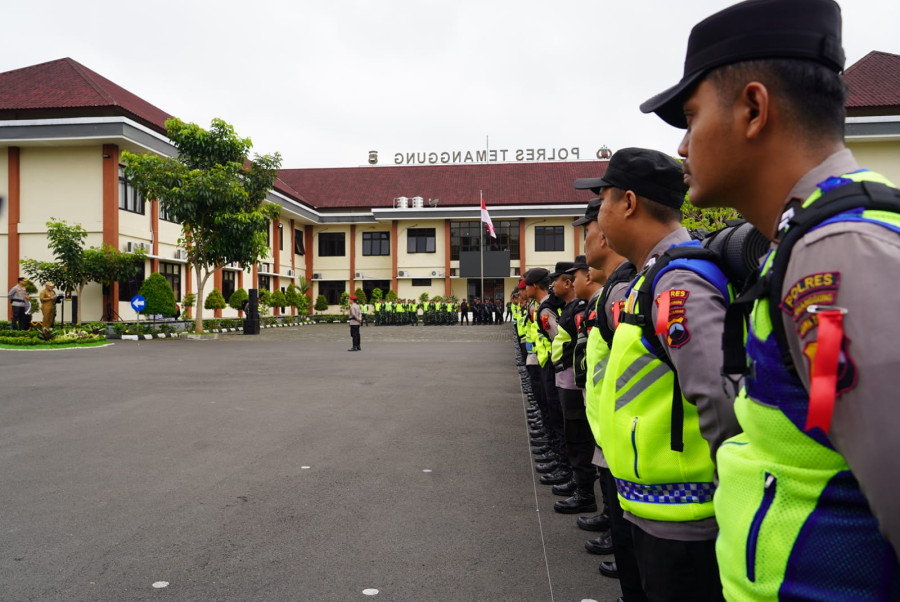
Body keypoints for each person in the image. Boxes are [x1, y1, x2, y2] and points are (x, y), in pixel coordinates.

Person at [641, 0, 900, 598]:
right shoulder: (805, 243)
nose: (682, 147)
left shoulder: (841, 258)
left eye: (691, 116)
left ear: (754, 109)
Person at [594, 148, 741, 601]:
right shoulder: (650, 276)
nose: (598, 218)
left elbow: (721, 398)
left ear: (629, 203)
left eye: (602, 200)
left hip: (687, 522)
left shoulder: (678, 282)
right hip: (657, 509)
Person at [576, 197, 646, 601]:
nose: (585, 243)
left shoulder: (625, 288)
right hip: (616, 428)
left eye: (586, 233)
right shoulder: (623, 284)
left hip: (633, 437)